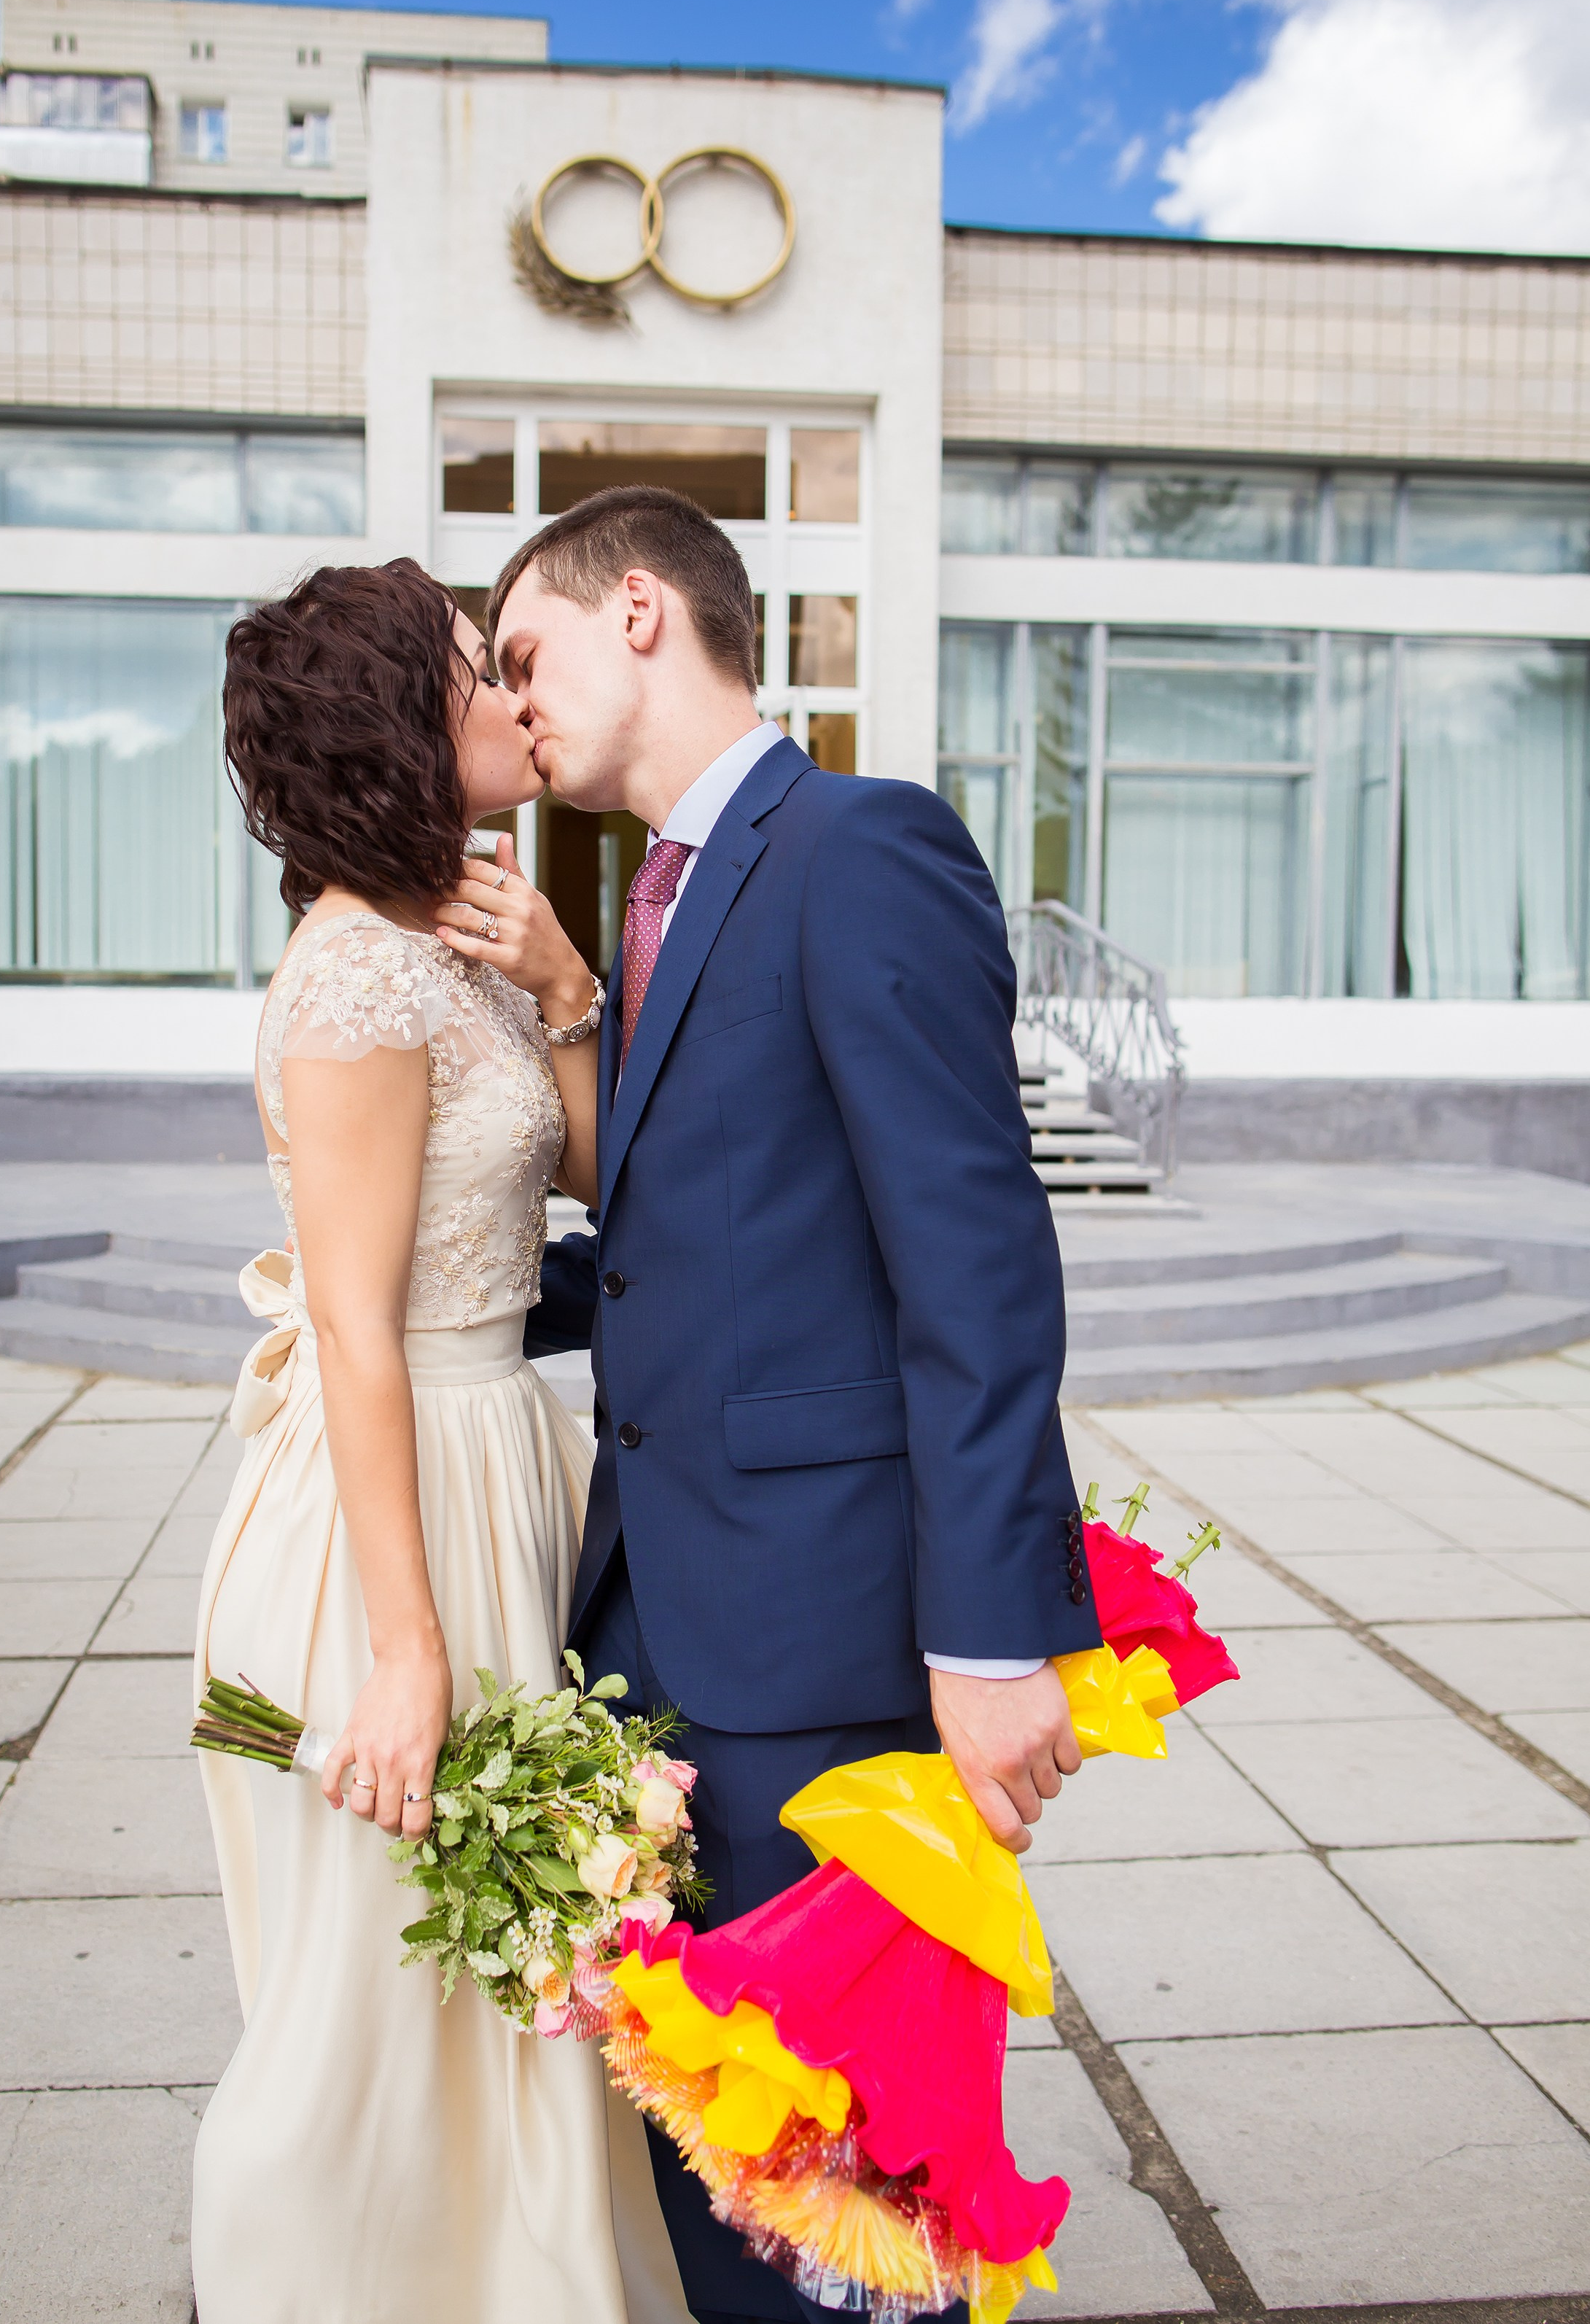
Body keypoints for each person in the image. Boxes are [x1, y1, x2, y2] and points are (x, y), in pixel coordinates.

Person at [488, 487, 1102, 2324]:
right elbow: (716, 1244)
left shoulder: (859, 845)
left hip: (827, 1641)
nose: (512, 704)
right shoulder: (651, 897)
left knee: (847, 2210)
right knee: (730, 2185)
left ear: (641, 614)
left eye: (525, 655)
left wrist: (996, 1634)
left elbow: (971, 1250)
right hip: (662, 1626)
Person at [192, 559, 690, 2324]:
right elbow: (349, 1325)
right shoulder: (351, 979)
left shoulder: (457, 931)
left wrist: (562, 986)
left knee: (530, 1972)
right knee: (375, 1995)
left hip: (505, 1458)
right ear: (404, 718)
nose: (513, 692)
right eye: (482, 667)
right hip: (387, 1500)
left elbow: (584, 1178)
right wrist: (406, 1653)